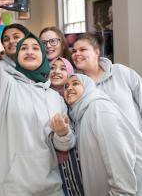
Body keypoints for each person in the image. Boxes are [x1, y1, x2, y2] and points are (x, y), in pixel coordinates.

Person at [0, 0, 75, 195]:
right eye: (24, 49)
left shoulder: (55, 98)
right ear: (17, 57)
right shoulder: (3, 85)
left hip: (48, 186)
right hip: (8, 186)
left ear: (43, 57)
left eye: (35, 48)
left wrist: (63, 133)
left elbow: (63, 145)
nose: (30, 51)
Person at [62, 74, 142, 196]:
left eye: (75, 83)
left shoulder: (99, 108)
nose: (69, 88)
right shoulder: (80, 116)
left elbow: (119, 157)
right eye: (66, 86)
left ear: (88, 87)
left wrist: (121, 192)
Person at [71, 34, 142, 147]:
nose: (76, 54)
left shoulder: (121, 72)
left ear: (97, 52)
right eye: (74, 51)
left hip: (140, 147)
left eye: (82, 49)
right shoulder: (76, 87)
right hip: (105, 155)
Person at [49, 57, 84, 196]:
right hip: (51, 163)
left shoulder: (78, 98)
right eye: (52, 67)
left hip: (78, 160)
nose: (56, 71)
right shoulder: (40, 97)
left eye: (63, 69)